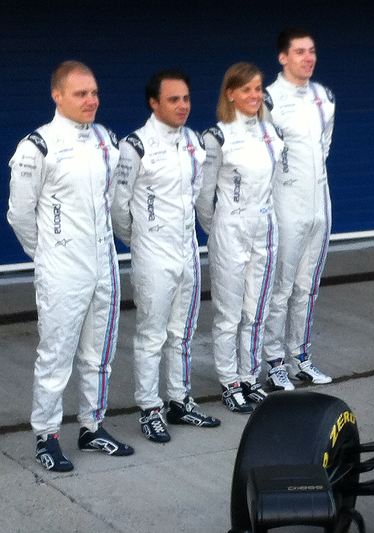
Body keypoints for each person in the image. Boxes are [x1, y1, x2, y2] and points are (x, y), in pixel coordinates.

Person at [7, 61, 134, 471]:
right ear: (57, 95)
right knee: (56, 354)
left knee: (100, 353)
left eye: (94, 92)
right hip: (63, 269)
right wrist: (48, 255)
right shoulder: (36, 147)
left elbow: (111, 199)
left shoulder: (106, 140)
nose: (90, 100)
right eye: (80, 93)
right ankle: (47, 434)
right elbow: (20, 216)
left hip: (104, 265)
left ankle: (92, 426)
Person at [111, 69, 220, 443]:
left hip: (187, 250)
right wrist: (141, 239)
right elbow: (118, 207)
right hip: (153, 255)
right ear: (154, 103)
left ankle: (179, 399)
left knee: (183, 333)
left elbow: (196, 193)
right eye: (173, 99)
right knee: (151, 335)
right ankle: (149, 407)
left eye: (186, 98)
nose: (183, 106)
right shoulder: (134, 145)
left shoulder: (193, 142)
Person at [197, 62, 284, 413]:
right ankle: (229, 381)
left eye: (258, 88)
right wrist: (217, 227)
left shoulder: (269, 132)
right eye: (246, 89)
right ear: (230, 93)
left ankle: (249, 376)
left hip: (264, 228)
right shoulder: (216, 136)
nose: (254, 95)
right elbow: (204, 196)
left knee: (256, 309)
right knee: (229, 312)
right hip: (230, 229)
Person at [262, 28, 335, 390]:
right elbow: (263, 156)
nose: (308, 58)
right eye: (300, 52)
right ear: (283, 58)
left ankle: (301, 357)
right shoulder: (268, 99)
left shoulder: (324, 97)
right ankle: (274, 361)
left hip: (320, 202)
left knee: (308, 286)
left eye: (312, 51)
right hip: (286, 204)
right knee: (281, 286)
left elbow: (324, 146)